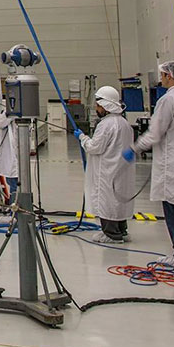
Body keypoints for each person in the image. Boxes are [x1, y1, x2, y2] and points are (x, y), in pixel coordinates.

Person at [123, 61, 174, 268]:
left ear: (169, 75)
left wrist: (135, 148)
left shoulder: (168, 100)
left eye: (162, 75)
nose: (161, 79)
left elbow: (155, 133)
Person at [75, 85, 135, 243]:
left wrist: (82, 138)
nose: (97, 108)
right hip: (121, 170)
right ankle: (121, 230)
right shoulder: (124, 123)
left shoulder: (106, 125)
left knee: (107, 201)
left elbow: (95, 147)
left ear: (106, 105)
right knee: (118, 201)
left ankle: (111, 234)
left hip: (108, 170)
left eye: (98, 105)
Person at [0, 107, 18, 222]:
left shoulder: (12, 112)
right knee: (14, 182)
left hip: (13, 155)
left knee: (14, 184)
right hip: (15, 154)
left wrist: (6, 112)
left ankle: (15, 213)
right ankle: (16, 210)